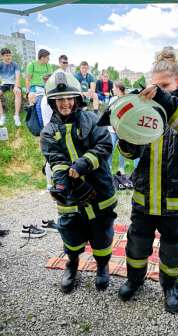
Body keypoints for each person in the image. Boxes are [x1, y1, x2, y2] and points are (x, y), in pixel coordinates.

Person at [109, 51, 178, 312]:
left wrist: (164, 99)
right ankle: (135, 280)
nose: (158, 91)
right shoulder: (143, 107)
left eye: (164, 86)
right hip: (144, 195)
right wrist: (124, 134)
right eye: (155, 86)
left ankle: (169, 286)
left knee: (174, 248)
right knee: (136, 242)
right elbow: (130, 153)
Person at [40, 72, 117, 293]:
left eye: (69, 97)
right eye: (60, 98)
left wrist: (81, 165)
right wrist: (62, 184)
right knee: (70, 232)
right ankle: (72, 265)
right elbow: (56, 159)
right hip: (71, 197)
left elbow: (104, 147)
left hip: (99, 191)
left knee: (102, 232)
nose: (65, 102)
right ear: (52, 102)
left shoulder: (93, 120)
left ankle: (102, 267)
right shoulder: (48, 132)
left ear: (77, 99)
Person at [0, 47, 21, 126]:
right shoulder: (0, 64)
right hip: (4, 84)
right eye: (7, 55)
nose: (9, 57)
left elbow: (18, 77)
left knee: (18, 93)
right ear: (2, 56)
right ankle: (2, 115)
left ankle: (16, 116)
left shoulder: (15, 64)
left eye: (10, 55)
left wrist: (16, 87)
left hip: (14, 83)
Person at [108, 81, 126, 173]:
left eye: (114, 87)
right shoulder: (112, 100)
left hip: (122, 129)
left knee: (122, 148)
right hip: (112, 129)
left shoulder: (126, 99)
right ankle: (109, 166)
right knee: (110, 147)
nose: (112, 89)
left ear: (118, 89)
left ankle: (121, 168)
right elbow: (109, 113)